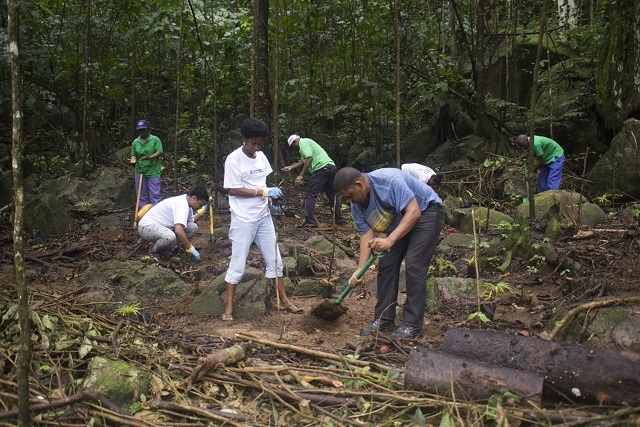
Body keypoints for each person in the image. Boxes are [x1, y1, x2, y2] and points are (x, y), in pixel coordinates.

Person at [334, 167, 444, 339]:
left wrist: (390, 240)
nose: (349, 201)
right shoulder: (357, 207)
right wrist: (359, 270)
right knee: (387, 264)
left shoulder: (389, 180)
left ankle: (412, 325)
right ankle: (384, 320)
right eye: (345, 198)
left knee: (414, 264)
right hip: (402, 219)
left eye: (349, 195)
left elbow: (414, 212)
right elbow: (366, 237)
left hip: (426, 211)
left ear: (359, 184)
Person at [222, 118, 304, 322]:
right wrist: (262, 191)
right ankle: (229, 308)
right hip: (243, 217)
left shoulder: (261, 158)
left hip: (263, 216)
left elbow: (263, 182)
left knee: (275, 260)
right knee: (238, 263)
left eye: (259, 144)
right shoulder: (233, 159)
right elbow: (232, 189)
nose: (255, 147)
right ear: (245, 139)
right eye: (252, 143)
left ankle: (283, 301)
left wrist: (270, 198)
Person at [281, 134, 345, 227]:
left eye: (293, 146)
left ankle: (310, 221)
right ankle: (339, 219)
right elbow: (303, 161)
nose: (294, 148)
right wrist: (291, 167)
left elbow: (309, 158)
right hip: (331, 167)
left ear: (295, 142)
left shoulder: (303, 143)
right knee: (332, 194)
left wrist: (301, 175)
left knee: (311, 194)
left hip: (321, 168)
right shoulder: (307, 143)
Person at [138, 186, 209, 261]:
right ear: (194, 198)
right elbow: (178, 230)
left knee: (193, 227)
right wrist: (190, 248)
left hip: (162, 227)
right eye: (200, 205)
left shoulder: (187, 205)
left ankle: (166, 249)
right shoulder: (182, 205)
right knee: (170, 237)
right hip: (146, 227)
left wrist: (202, 211)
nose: (200, 207)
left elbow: (191, 221)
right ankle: (154, 251)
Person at [130, 119, 163, 205]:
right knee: (141, 194)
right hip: (140, 170)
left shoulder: (155, 139)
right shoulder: (135, 142)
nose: (142, 132)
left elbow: (159, 151)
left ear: (148, 129)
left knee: (155, 194)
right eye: (140, 130)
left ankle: (157, 214)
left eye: (144, 130)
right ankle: (144, 215)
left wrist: (150, 157)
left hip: (153, 170)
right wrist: (133, 160)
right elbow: (133, 154)